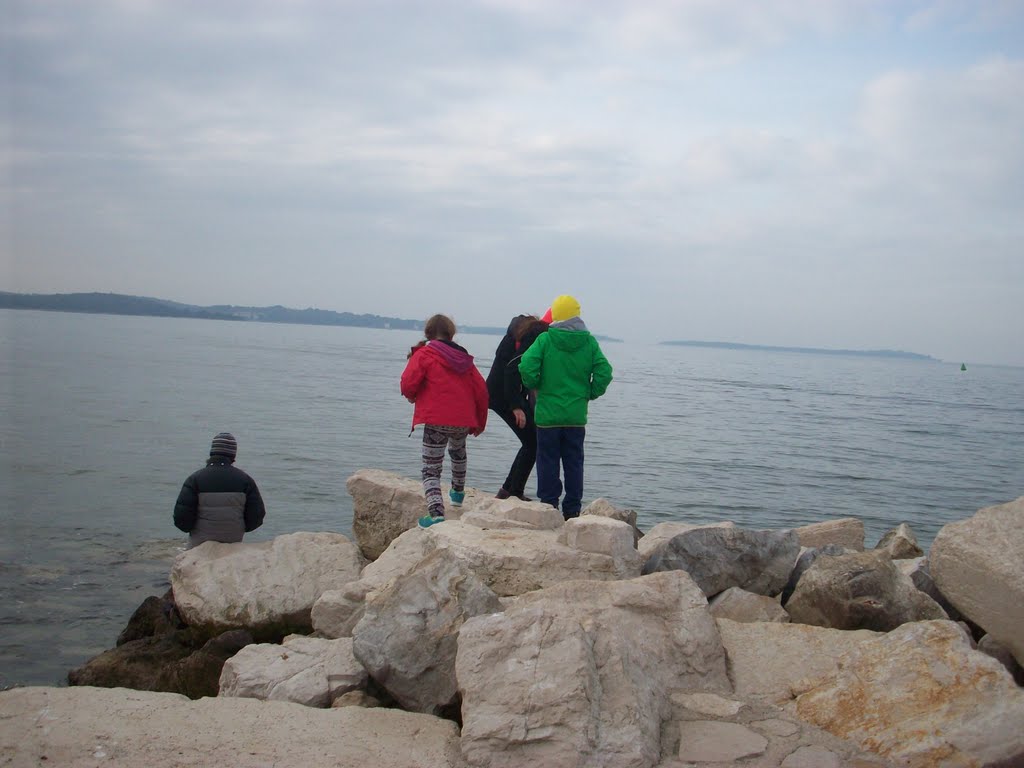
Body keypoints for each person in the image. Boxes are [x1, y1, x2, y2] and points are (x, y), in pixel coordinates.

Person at [518, 294, 612, 520]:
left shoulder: (545, 339)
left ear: (555, 315)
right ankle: (572, 510)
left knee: (547, 460)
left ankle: (549, 505)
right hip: (575, 416)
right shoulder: (589, 342)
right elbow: (604, 373)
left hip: (547, 415)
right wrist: (589, 393)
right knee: (574, 462)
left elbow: (526, 366)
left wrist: (535, 384)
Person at [401, 314, 489, 527]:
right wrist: (479, 421)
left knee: (431, 468)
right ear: (452, 334)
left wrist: (412, 396)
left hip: (436, 419)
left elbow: (407, 382)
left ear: (428, 333)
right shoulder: (464, 359)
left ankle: (436, 513)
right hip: (462, 419)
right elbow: (481, 391)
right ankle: (457, 494)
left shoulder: (425, 354)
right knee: (458, 453)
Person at [486, 314, 549, 500]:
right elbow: (512, 368)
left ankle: (509, 490)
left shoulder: (520, 333)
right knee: (533, 442)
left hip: (502, 393)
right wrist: (516, 406)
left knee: (531, 441)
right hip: (503, 396)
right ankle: (512, 491)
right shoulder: (534, 336)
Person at [173, 432, 266, 548]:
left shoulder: (195, 479)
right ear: (233, 454)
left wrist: (191, 529)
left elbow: (181, 518)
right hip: (233, 541)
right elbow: (257, 516)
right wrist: (241, 528)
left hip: (199, 544)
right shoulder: (245, 480)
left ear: (212, 452)